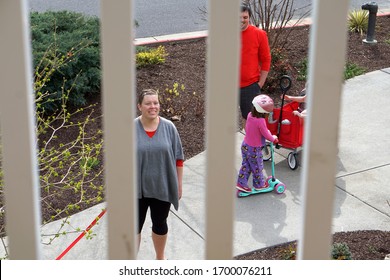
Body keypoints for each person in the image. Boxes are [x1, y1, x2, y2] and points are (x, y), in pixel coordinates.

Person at [135, 89, 184, 260]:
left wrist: (178, 184)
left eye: (155, 103)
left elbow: (179, 158)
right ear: (139, 106)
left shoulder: (169, 127)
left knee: (160, 224)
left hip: (162, 186)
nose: (152, 106)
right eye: (148, 103)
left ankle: (160, 259)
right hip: (136, 191)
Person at [236, 94, 278, 192]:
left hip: (245, 145)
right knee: (257, 167)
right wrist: (274, 139)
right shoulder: (261, 121)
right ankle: (259, 185)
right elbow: (266, 133)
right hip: (254, 149)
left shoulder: (250, 115)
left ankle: (241, 183)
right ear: (265, 113)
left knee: (246, 165)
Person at [239, 3, 272, 130]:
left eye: (245, 17)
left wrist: (260, 83)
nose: (242, 20)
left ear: (249, 17)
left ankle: (251, 146)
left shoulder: (259, 34)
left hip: (250, 86)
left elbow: (266, 59)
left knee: (250, 120)